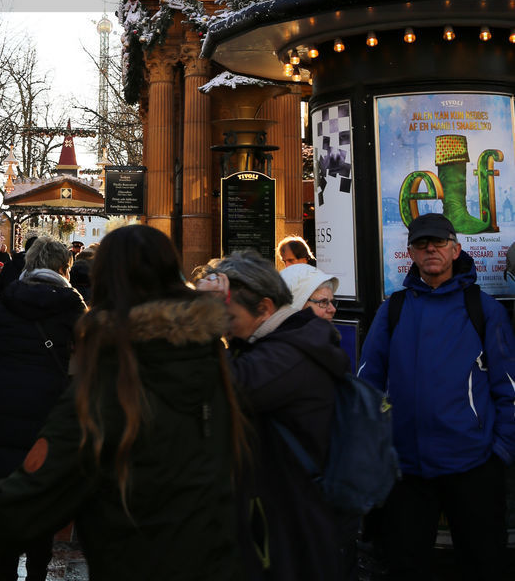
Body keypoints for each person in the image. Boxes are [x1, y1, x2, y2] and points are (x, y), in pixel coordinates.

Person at [0, 224, 249, 581]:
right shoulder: (213, 352)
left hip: (138, 554)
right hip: (217, 548)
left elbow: (48, 484)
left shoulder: (116, 366)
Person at [358, 212, 515, 578]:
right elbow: (368, 383)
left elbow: (508, 387)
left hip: (473, 466)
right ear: (410, 252)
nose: (431, 249)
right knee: (404, 565)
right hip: (407, 470)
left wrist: (500, 452)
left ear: (456, 248)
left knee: (483, 563)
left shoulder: (484, 309)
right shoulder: (393, 310)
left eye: (439, 242)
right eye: (421, 243)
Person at [199, 250, 348, 581]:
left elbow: (221, 387)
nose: (224, 325)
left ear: (264, 308)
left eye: (228, 315)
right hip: (274, 518)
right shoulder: (268, 343)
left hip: (290, 530)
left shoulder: (289, 355)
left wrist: (203, 322)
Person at [0, 236, 86, 580]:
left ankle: (6, 568)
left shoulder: (7, 302)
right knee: (41, 496)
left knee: (7, 491)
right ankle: (37, 570)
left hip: (2, 405)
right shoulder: (72, 303)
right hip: (50, 411)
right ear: (63, 267)